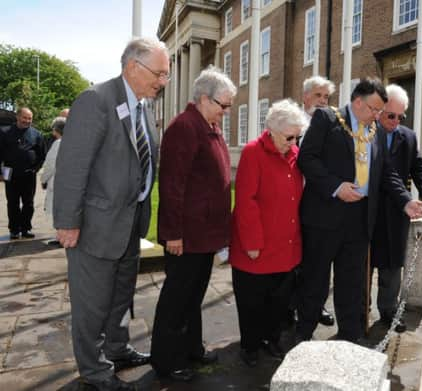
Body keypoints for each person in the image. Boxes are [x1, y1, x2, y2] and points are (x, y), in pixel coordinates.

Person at [53, 37, 170, 391]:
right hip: (95, 226)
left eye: (166, 75)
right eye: (160, 73)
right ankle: (94, 370)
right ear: (133, 66)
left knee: (122, 295)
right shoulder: (97, 100)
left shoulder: (144, 108)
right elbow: (73, 168)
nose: (163, 81)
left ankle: (118, 349)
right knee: (91, 305)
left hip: (131, 222)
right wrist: (68, 222)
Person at [296, 78, 422, 343]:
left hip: (359, 220)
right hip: (324, 217)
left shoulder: (376, 131)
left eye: (381, 111)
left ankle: (350, 336)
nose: (378, 116)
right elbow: (306, 159)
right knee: (316, 281)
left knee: (353, 283)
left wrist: (406, 200)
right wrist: (335, 187)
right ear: (358, 102)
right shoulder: (327, 119)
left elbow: (387, 173)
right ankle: (303, 335)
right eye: (374, 110)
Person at [150, 67, 236, 382]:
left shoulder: (209, 125)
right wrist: (173, 234)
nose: (226, 112)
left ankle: (191, 349)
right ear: (202, 98)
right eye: (222, 105)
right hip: (185, 235)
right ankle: (166, 360)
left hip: (205, 234)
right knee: (176, 299)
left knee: (193, 296)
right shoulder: (184, 127)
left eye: (228, 106)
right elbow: (172, 186)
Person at [230, 99, 307, 367]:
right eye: (289, 136)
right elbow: (246, 201)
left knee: (279, 303)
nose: (293, 141)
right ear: (272, 130)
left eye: (297, 136)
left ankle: (272, 340)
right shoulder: (253, 153)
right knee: (252, 303)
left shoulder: (295, 154)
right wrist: (252, 243)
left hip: (286, 247)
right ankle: (250, 346)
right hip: (257, 247)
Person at [370, 84, 422, 333]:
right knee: (364, 264)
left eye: (401, 116)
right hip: (369, 211)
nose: (396, 121)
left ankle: (388, 311)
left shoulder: (408, 136)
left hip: (398, 212)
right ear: (379, 110)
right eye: (391, 115)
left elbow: (418, 166)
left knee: (391, 266)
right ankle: (359, 310)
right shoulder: (366, 131)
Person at [296, 75, 337, 327]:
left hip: (319, 204)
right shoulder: (293, 122)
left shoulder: (333, 126)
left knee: (319, 262)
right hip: (292, 201)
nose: (322, 101)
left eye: (326, 97)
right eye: (317, 95)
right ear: (305, 97)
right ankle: (291, 306)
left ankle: (316, 305)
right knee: (293, 261)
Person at [0, 107, 45, 240]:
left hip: (29, 175)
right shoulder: (4, 132)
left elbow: (42, 155)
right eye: (25, 118)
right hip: (10, 173)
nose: (27, 121)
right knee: (12, 203)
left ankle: (25, 228)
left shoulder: (36, 134)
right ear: (18, 117)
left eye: (30, 118)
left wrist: (35, 169)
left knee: (28, 203)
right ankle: (14, 229)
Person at [41, 116, 66, 246]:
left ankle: (61, 238)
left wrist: (43, 179)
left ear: (56, 130)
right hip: (70, 184)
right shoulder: (75, 142)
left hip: (58, 183)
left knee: (58, 211)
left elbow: (50, 165)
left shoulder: (58, 144)